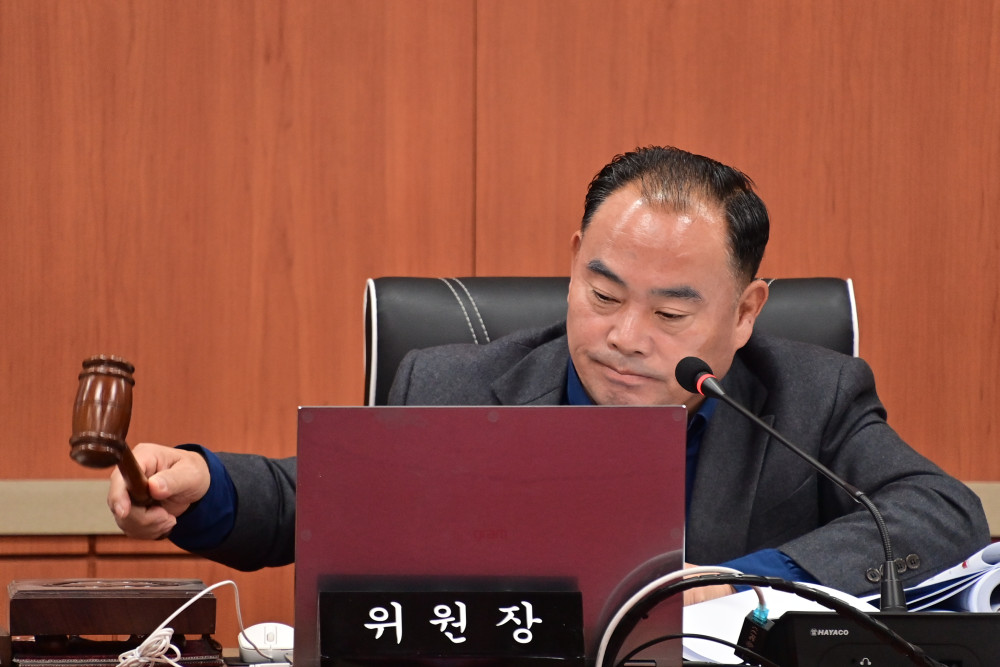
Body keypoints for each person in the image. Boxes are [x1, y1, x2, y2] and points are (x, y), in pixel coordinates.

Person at [108, 146, 989, 603]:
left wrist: (746, 580)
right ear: (572, 263)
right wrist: (203, 485)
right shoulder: (452, 385)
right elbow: (321, 500)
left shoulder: (810, 396)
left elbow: (939, 513)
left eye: (671, 314)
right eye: (601, 293)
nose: (624, 337)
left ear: (746, 311)